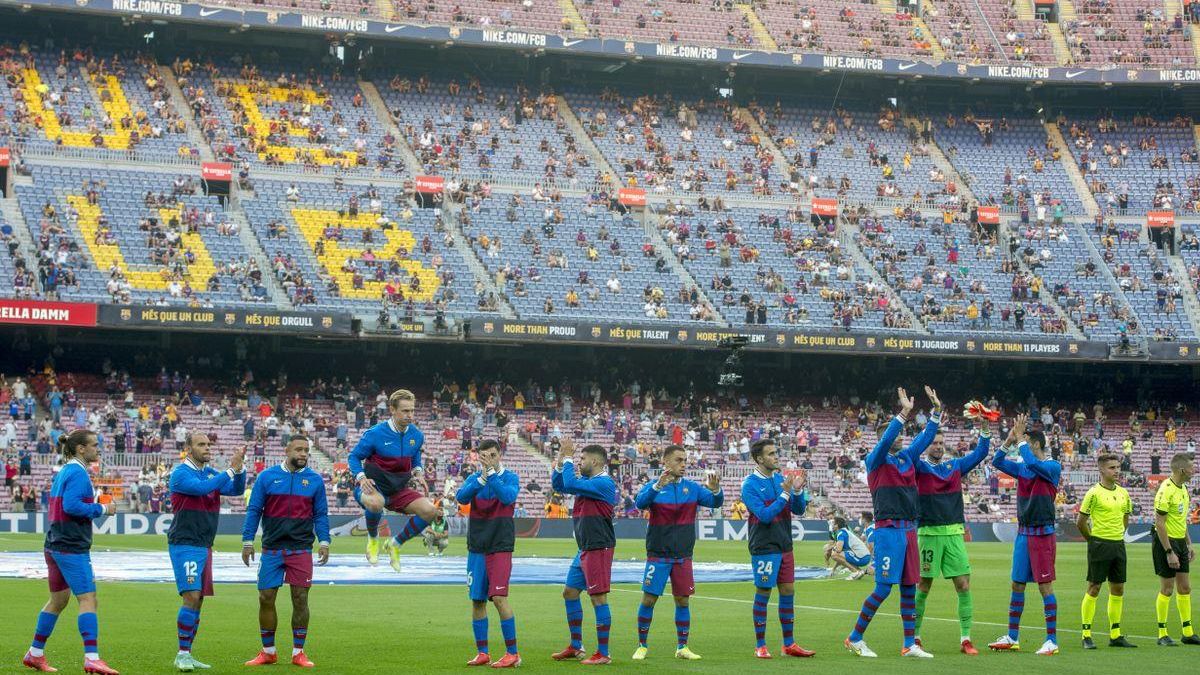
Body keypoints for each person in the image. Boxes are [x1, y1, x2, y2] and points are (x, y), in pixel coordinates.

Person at [845, 386, 941, 659]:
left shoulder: (906, 458)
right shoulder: (874, 460)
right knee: (884, 588)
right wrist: (903, 414)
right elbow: (886, 438)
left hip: (909, 530)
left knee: (910, 586)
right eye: (893, 433)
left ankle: (909, 644)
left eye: (900, 432)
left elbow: (926, 438)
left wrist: (936, 410)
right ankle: (854, 637)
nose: (898, 436)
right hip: (888, 531)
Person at [22, 430, 119, 674]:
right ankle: (92, 658)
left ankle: (34, 653)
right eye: (94, 445)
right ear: (80, 449)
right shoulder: (78, 472)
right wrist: (103, 508)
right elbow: (72, 506)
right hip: (71, 546)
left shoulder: (66, 470)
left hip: (55, 544)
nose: (99, 449)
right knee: (88, 599)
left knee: (58, 601)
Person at [241, 435, 330, 668]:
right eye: (299, 449)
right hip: (271, 548)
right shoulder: (267, 477)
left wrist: (324, 541)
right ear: (287, 450)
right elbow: (254, 511)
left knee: (300, 599)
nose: (303, 454)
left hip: (301, 549)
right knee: (265, 597)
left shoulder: (315, 481)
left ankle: (298, 653)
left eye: (306, 450)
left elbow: (320, 514)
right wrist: (247, 541)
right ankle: (268, 652)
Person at [632, 444, 723, 661]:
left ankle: (682, 647)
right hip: (658, 554)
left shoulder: (692, 488)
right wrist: (656, 486)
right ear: (666, 462)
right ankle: (642, 645)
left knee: (683, 600)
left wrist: (716, 489)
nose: (683, 464)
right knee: (649, 599)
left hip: (683, 555)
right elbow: (640, 503)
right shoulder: (654, 487)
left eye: (685, 460)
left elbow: (715, 503)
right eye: (678, 460)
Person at [168, 433, 246, 672]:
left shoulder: (210, 473)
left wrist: (240, 470)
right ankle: (181, 654)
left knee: (199, 600)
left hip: (204, 543)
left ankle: (188, 654)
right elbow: (202, 489)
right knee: (190, 596)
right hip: (185, 542)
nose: (207, 448)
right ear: (188, 449)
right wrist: (230, 470)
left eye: (208, 444)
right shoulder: (181, 474)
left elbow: (235, 491)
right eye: (201, 444)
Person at [913, 417, 992, 654]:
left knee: (964, 584)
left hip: (954, 533)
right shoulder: (918, 466)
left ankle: (965, 639)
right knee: (923, 585)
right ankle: (914, 637)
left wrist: (985, 428)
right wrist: (932, 422)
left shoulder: (955, 466)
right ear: (927, 444)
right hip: (928, 533)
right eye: (933, 442)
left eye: (940, 442)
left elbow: (981, 452)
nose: (937, 446)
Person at [987, 414, 1062, 656]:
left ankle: (1051, 640)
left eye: (1027, 442)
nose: (1023, 446)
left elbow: (1033, 463)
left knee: (1044, 586)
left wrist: (1020, 439)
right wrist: (1009, 440)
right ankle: (1012, 637)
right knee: (1017, 583)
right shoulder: (1024, 468)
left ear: (1037, 444)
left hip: (1042, 534)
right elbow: (997, 461)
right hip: (1023, 533)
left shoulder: (1051, 467)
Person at [349, 389, 439, 572]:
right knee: (376, 503)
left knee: (430, 511)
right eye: (405, 411)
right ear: (392, 409)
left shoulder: (417, 435)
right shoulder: (375, 433)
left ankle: (395, 544)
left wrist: (418, 471)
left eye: (412, 411)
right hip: (373, 487)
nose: (410, 415)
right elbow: (353, 457)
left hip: (399, 489)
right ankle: (373, 540)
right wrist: (361, 477)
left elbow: (415, 457)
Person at [740, 438, 815, 659]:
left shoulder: (782, 479)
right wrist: (785, 493)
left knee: (788, 591)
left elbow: (799, 510)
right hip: (764, 545)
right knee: (764, 591)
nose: (776, 457)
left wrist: (798, 492)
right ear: (759, 458)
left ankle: (789, 644)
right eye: (771, 454)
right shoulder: (750, 484)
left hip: (784, 544)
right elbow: (764, 516)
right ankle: (760, 645)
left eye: (776, 453)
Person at [550, 438, 618, 665]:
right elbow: (559, 485)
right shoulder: (589, 481)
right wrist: (561, 461)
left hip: (598, 546)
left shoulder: (604, 483)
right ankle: (576, 646)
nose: (579, 463)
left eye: (582, 459)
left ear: (596, 461)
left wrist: (567, 457)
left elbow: (568, 484)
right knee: (570, 592)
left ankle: (604, 653)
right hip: (585, 548)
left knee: (598, 598)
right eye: (577, 459)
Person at [455, 439, 522, 668]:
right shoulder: (476, 479)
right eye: (485, 456)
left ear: (499, 454)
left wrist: (491, 474)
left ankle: (512, 653)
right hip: (477, 547)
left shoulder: (510, 477)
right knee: (477, 600)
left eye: (492, 455)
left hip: (500, 545)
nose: (489, 459)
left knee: (499, 598)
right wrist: (482, 478)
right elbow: (461, 498)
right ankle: (483, 652)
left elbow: (508, 497)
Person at [1076, 452, 1135, 649]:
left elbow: (1125, 518)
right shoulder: (1093, 493)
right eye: (1112, 468)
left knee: (1118, 588)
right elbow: (1081, 522)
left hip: (1118, 545)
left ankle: (1116, 634)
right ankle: (1086, 634)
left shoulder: (1124, 493)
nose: (1117, 471)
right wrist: (1092, 541)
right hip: (1099, 544)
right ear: (1101, 469)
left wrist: (1118, 534)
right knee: (1094, 587)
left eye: (1118, 467)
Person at [1152, 451, 1198, 646]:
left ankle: (1187, 632)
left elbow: (1181, 520)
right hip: (1166, 542)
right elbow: (1160, 523)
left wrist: (1188, 543)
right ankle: (1162, 633)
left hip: (1179, 541)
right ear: (1182, 470)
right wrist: (1169, 551)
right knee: (1168, 588)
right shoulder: (1166, 489)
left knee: (1185, 587)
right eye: (1192, 467)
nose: (1194, 470)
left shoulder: (1184, 489)